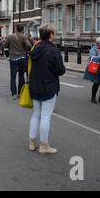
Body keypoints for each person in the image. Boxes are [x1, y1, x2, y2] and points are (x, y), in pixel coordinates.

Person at [28, 24, 65, 155]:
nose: (55, 35)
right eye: (54, 33)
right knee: (45, 116)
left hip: (35, 85)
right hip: (48, 86)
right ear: (50, 34)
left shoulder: (36, 48)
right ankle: (44, 145)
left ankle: (32, 142)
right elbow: (60, 70)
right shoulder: (53, 50)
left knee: (36, 114)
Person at [4, 25, 32, 100]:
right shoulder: (24, 37)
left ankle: (14, 93)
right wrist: (26, 50)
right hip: (22, 58)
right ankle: (20, 93)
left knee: (13, 76)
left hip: (13, 58)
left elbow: (5, 46)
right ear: (22, 29)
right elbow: (29, 45)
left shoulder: (10, 37)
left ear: (16, 29)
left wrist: (8, 52)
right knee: (21, 75)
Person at [83, 37, 100, 104]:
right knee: (96, 83)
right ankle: (93, 98)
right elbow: (91, 57)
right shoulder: (94, 49)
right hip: (97, 68)